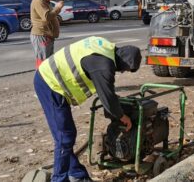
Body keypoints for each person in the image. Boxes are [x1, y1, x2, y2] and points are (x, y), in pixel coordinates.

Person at [34, 36, 141, 182]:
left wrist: (116, 110)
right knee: (64, 136)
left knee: (65, 136)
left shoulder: (105, 47)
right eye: (126, 70)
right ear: (125, 63)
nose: (122, 72)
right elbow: (108, 99)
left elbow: (108, 96)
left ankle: (77, 175)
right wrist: (123, 117)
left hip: (51, 79)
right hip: (50, 83)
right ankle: (59, 179)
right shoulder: (104, 65)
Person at [31, 0, 64, 68]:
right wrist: (58, 8)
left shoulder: (45, 1)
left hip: (46, 36)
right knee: (43, 62)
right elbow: (47, 17)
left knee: (48, 62)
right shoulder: (38, 1)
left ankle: (46, 79)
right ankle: (41, 80)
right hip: (41, 35)